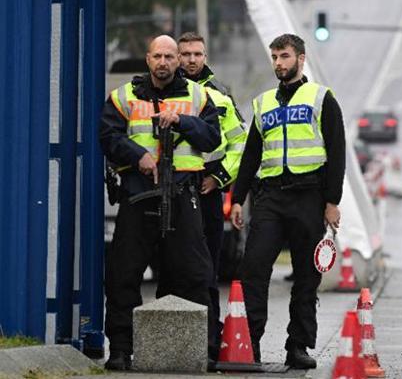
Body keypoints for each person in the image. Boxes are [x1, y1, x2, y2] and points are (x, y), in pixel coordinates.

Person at [99, 35, 221, 370]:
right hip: (139, 194)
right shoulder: (124, 96)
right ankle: (121, 350)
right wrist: (138, 156)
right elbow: (108, 137)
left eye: (170, 56)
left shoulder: (198, 96)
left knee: (196, 274)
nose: (164, 62)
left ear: (177, 61)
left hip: (182, 195)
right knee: (123, 274)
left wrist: (182, 121)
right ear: (148, 59)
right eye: (158, 56)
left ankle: (202, 350)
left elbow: (213, 137)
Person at [230, 33, 345, 369]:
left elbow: (337, 152)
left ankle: (298, 346)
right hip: (270, 197)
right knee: (254, 269)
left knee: (306, 276)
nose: (279, 63)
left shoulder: (321, 98)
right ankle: (248, 343)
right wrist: (238, 198)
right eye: (275, 57)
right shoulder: (263, 102)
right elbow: (251, 155)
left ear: (300, 58)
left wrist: (332, 201)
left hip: (309, 196)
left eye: (284, 56)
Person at [177, 31, 247, 359]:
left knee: (207, 270)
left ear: (205, 56)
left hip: (205, 190)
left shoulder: (219, 95)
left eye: (197, 54)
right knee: (171, 266)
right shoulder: (162, 91)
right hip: (167, 190)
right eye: (185, 53)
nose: (191, 59)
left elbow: (240, 143)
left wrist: (219, 177)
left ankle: (208, 341)